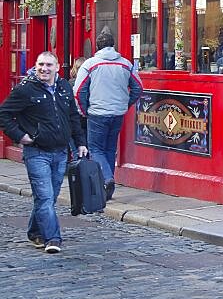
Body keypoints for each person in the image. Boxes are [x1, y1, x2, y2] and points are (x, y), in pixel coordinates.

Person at [0, 52, 88, 254]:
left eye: (49, 65)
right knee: (45, 196)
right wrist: (20, 136)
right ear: (35, 66)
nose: (44, 68)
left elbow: (73, 116)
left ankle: (34, 232)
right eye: (40, 64)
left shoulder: (65, 86)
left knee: (49, 197)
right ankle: (53, 238)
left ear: (57, 67)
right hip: (37, 152)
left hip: (60, 152)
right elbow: (3, 114)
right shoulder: (25, 89)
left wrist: (80, 142)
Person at [73, 32, 143, 200]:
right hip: (117, 113)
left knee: (96, 149)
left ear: (97, 46)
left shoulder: (90, 64)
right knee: (110, 148)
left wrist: (84, 110)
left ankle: (107, 179)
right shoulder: (126, 64)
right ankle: (108, 186)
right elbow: (138, 87)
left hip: (97, 113)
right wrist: (125, 104)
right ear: (113, 45)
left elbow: (78, 91)